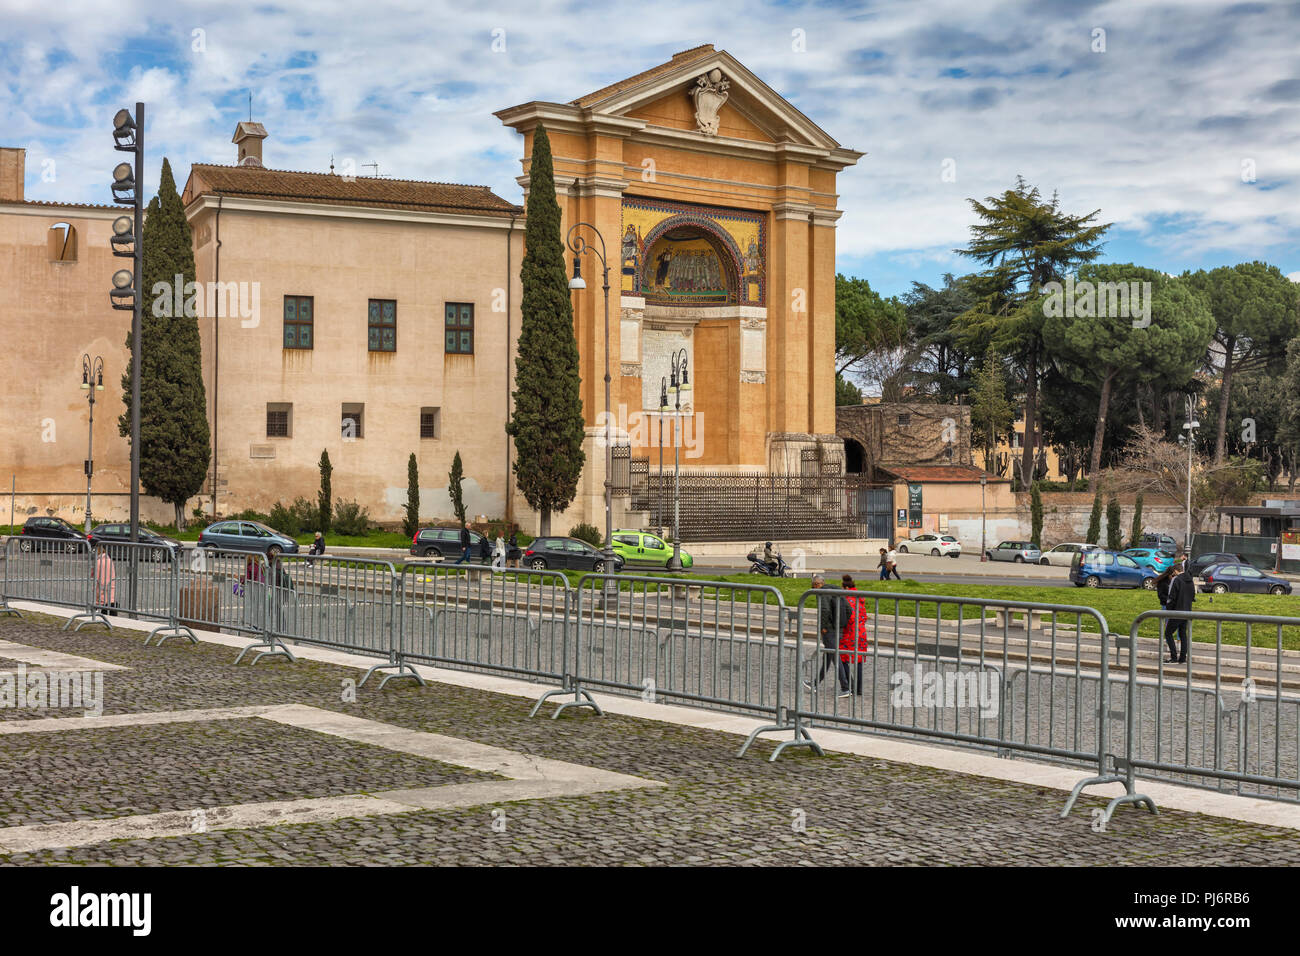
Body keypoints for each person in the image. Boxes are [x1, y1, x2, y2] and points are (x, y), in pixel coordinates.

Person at [804, 574, 851, 698]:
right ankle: (815, 683)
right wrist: (842, 624)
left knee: (835, 658)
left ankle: (845, 687)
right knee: (828, 658)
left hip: (829, 631)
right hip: (839, 629)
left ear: (817, 584)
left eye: (813, 586)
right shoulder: (836, 591)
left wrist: (823, 626)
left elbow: (824, 610)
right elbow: (849, 609)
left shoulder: (823, 593)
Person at [839, 574, 870, 695]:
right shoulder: (859, 598)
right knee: (858, 660)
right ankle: (859, 688)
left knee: (842, 658)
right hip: (861, 632)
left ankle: (850, 686)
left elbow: (848, 618)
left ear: (846, 588)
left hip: (850, 633)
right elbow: (864, 616)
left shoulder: (847, 599)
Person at [1164, 559, 1195, 664]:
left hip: (1176, 611)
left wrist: (1168, 609)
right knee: (1183, 634)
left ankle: (1173, 657)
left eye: (1174, 573)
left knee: (1168, 633)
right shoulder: (1190, 580)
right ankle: (1182, 658)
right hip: (1187, 611)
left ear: (1176, 571)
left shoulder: (1176, 580)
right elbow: (1193, 596)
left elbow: (1171, 597)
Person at [93, 543, 117, 617]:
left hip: (101, 587)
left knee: (101, 601)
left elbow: (94, 575)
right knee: (110, 599)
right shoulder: (110, 560)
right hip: (110, 586)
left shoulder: (98, 562)